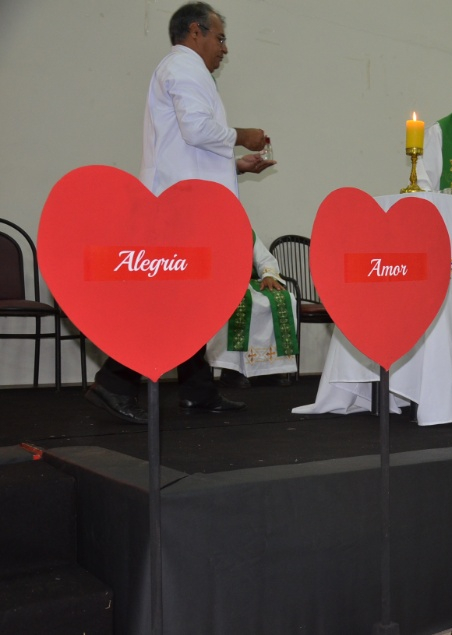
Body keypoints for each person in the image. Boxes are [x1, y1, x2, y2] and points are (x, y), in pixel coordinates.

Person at [85, 2, 275, 424]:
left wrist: (236, 165)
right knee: (168, 301)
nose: (225, 49)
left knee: (189, 299)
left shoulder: (186, 71)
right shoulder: (185, 67)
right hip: (179, 209)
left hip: (186, 201)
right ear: (195, 32)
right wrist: (244, 137)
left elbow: (189, 147)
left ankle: (196, 389)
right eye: (220, 38)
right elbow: (198, 129)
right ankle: (114, 383)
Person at [206, 234, 298, 387]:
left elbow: (264, 259)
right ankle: (232, 371)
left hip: (250, 283)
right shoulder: (210, 231)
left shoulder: (247, 233)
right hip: (223, 283)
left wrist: (268, 275)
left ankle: (269, 369)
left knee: (283, 298)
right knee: (237, 303)